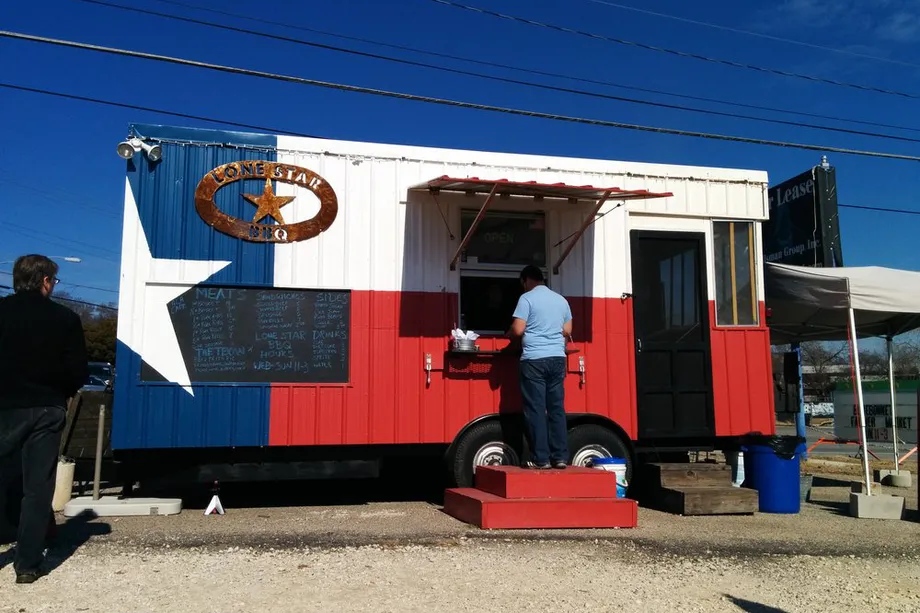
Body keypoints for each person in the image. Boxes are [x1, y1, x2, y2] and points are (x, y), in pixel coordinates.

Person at [0, 254, 88, 584]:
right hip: (47, 408)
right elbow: (77, 371)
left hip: (4, 406)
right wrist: (60, 391)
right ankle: (27, 565)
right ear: (45, 281)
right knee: (37, 488)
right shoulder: (64, 318)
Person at [507, 265, 573, 470]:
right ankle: (560, 458)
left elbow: (518, 330)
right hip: (557, 358)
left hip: (534, 359)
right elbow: (567, 330)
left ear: (526, 280)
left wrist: (508, 334)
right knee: (556, 409)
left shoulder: (526, 299)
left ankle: (541, 459)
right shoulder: (561, 300)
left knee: (535, 409)